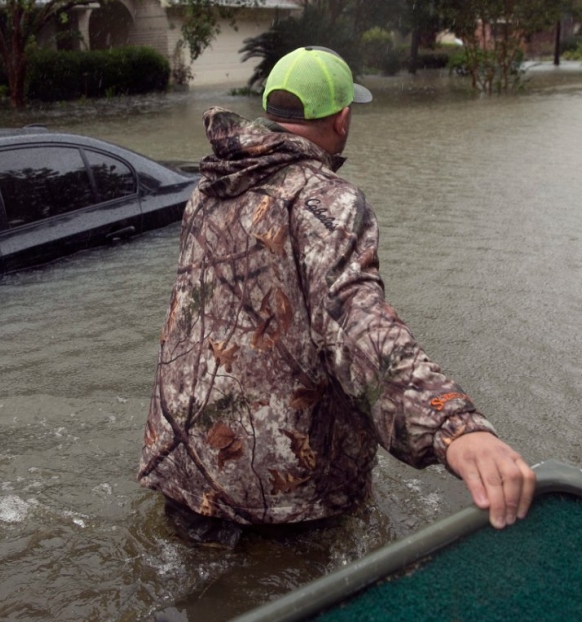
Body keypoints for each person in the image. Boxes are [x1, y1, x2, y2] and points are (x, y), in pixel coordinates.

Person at [137, 46, 534, 547]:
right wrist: (452, 422)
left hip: (186, 466)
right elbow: (354, 321)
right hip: (280, 498)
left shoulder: (211, 185)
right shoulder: (329, 201)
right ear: (342, 118)